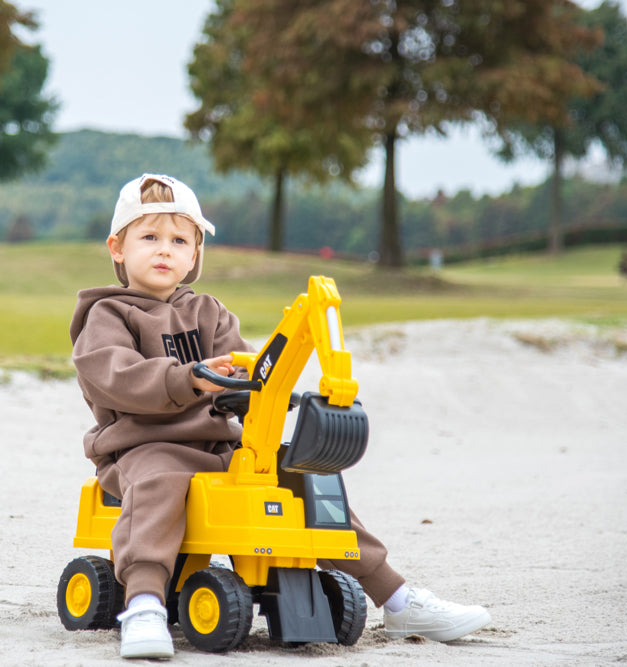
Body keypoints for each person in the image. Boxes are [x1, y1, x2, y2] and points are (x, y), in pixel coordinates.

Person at [69, 173, 491, 659]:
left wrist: (265, 389)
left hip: (221, 448)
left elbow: (248, 370)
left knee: (304, 479)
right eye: (149, 237)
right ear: (118, 248)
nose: (164, 250)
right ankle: (144, 604)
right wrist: (191, 378)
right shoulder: (108, 315)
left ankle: (396, 598)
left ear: (196, 254)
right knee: (160, 481)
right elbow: (117, 377)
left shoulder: (210, 313)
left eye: (179, 240)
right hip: (143, 448)